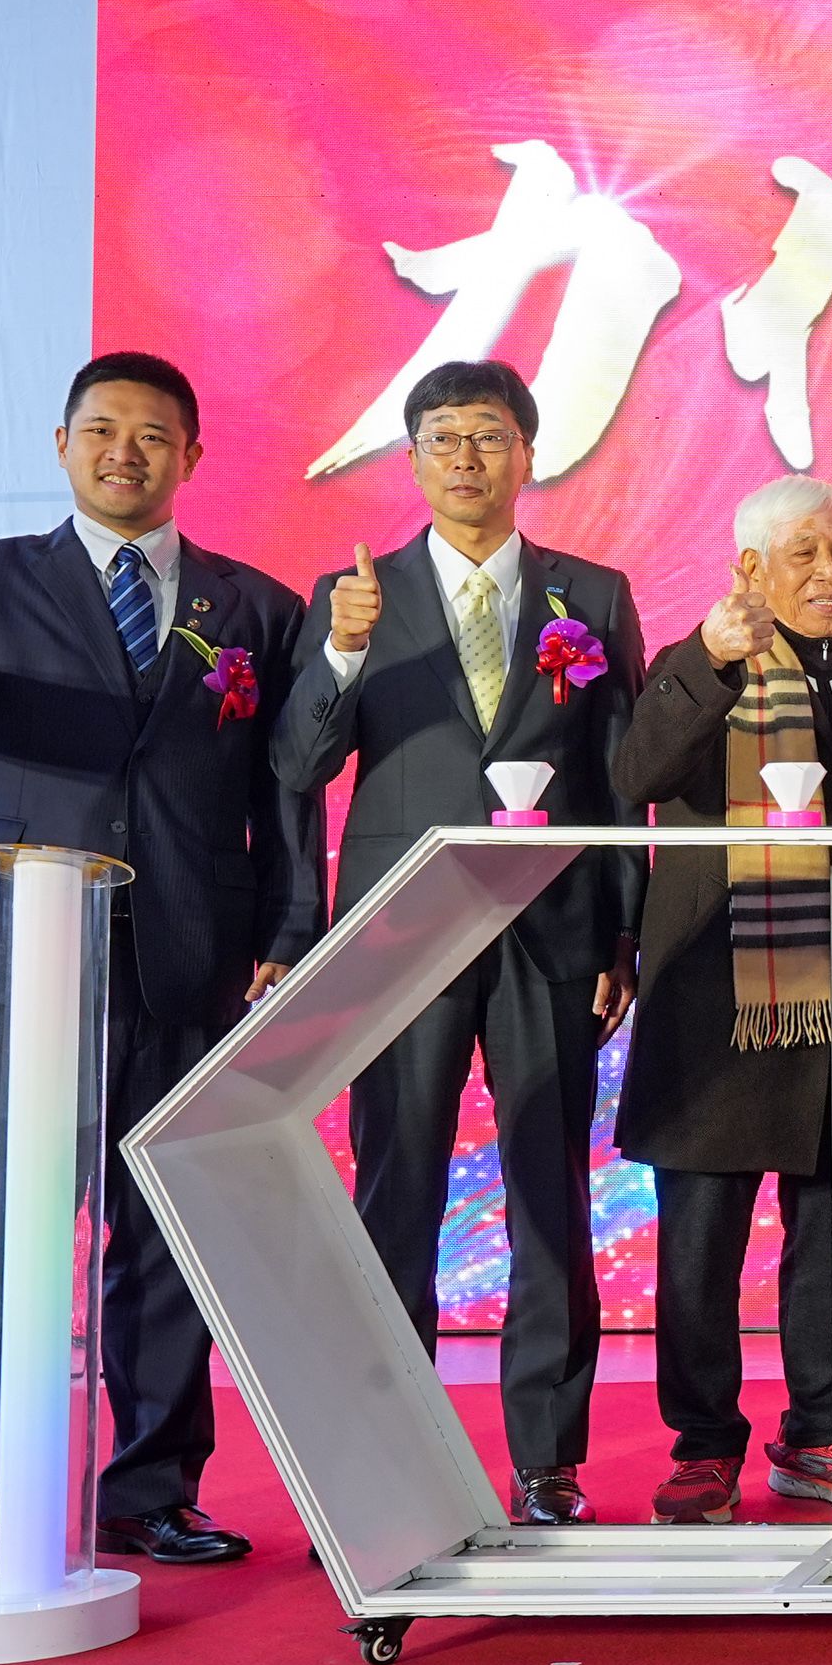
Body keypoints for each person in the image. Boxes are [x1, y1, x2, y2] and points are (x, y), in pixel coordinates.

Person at [0, 352, 318, 1565]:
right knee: (9, 1236)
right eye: (101, 429)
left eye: (152, 435)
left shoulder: (255, 608)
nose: (125, 452)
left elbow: (283, 788)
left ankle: (149, 1490)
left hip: (188, 954)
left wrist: (286, 929)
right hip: (15, 959)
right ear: (62, 444)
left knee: (169, 1233)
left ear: (191, 457)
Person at [273, 359, 644, 1528]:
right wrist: (339, 657)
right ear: (413, 459)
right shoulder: (356, 597)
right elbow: (299, 766)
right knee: (398, 1194)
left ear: (527, 453)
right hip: (403, 930)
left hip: (552, 932)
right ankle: (390, 1459)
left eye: (487, 435)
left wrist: (621, 932)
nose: (466, 458)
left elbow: (619, 776)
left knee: (550, 1201)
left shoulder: (593, 594)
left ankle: (548, 1463)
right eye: (442, 438)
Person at [609, 475, 832, 1526]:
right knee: (700, 1241)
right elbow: (637, 772)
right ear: (750, 568)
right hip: (723, 992)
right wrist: (708, 658)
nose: (830, 573)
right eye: (803, 554)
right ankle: (703, 1445)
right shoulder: (706, 662)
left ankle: (820, 1433)